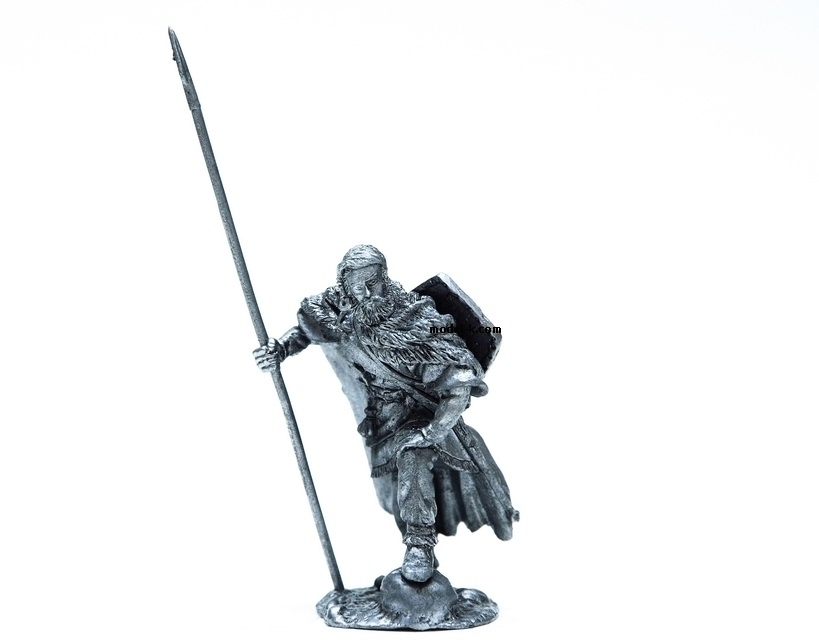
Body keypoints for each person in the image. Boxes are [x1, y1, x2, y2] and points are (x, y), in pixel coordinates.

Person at [254, 245, 517, 583]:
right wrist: (280, 349)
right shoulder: (332, 311)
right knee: (392, 491)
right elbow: (307, 332)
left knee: (413, 458)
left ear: (385, 278)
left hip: (420, 413)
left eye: (374, 282)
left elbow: (457, 384)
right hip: (380, 419)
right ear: (345, 286)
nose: (367, 292)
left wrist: (432, 432)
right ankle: (413, 556)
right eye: (358, 286)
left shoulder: (415, 318)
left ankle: (420, 546)